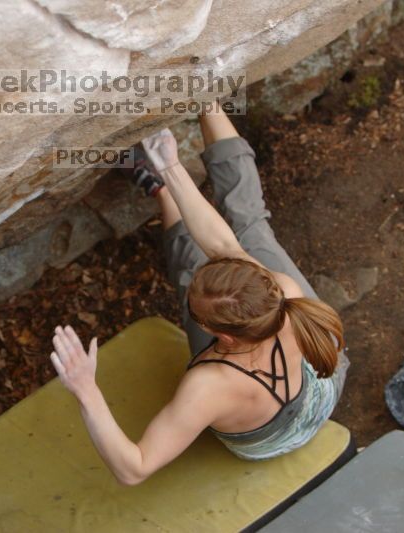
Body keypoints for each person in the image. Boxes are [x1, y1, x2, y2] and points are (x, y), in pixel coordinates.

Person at [49, 105, 349, 486]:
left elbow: (134, 467)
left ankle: (159, 192)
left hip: (272, 437)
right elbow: (223, 244)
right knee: (249, 231)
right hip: (320, 383)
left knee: (190, 264)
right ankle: (207, 101)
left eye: (199, 313)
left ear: (220, 335)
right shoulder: (281, 294)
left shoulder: (208, 387)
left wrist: (86, 389)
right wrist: (172, 165)